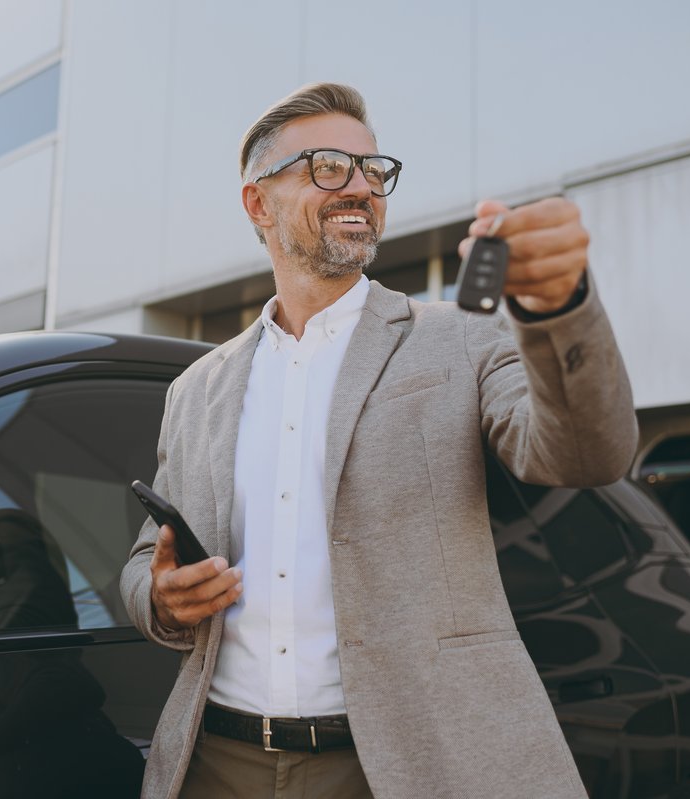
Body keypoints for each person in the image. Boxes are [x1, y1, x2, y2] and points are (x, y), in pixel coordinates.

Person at [120, 83, 636, 798]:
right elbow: (149, 557)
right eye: (328, 166)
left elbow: (587, 453)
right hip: (216, 759)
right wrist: (159, 595)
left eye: (374, 170)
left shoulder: (459, 337)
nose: (360, 186)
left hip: (402, 763)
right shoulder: (198, 387)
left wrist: (561, 307)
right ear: (258, 203)